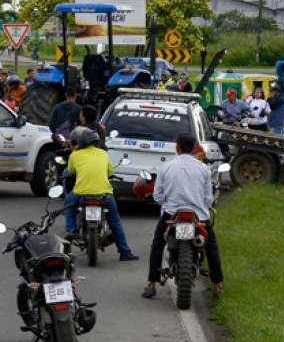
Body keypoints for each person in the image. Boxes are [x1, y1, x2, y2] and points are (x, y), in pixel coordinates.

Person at [142, 132, 222, 298]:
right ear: (194, 148)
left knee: (157, 244)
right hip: (198, 216)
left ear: (177, 147)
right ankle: (217, 284)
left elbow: (158, 197)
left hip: (172, 214)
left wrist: (167, 202)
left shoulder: (166, 167)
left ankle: (151, 284)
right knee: (211, 247)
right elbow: (208, 199)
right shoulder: (204, 169)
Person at [63, 127, 138, 261]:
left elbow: (70, 172)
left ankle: (71, 230)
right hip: (104, 195)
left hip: (81, 194)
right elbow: (109, 173)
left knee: (69, 203)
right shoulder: (104, 154)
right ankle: (125, 252)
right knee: (115, 222)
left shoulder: (75, 155)